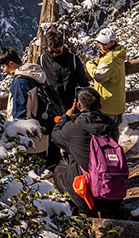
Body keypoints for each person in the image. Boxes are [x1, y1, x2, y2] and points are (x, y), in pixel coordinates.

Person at [50, 87, 124, 217]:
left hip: (86, 199)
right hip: (115, 196)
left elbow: (55, 136)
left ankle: (76, 211)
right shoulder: (111, 125)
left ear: (78, 106)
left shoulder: (73, 127)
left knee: (58, 171)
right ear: (100, 105)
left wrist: (66, 117)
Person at [0, 47, 52, 155]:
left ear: (11, 64)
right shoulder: (35, 75)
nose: (3, 70)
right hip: (41, 134)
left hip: (28, 140)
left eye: (3, 66)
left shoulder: (20, 83)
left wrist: (16, 138)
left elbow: (20, 115)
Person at [39, 29, 90, 114]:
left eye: (58, 51)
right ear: (47, 47)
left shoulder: (73, 60)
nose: (54, 54)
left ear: (63, 45)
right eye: (52, 51)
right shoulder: (41, 60)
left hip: (70, 106)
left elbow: (83, 82)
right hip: (49, 108)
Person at [85, 28, 126, 123]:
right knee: (113, 129)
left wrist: (89, 64)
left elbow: (98, 76)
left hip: (108, 105)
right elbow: (106, 62)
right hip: (115, 102)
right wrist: (99, 61)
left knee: (106, 129)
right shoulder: (117, 53)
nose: (101, 46)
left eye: (104, 44)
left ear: (113, 42)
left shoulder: (110, 59)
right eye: (99, 43)